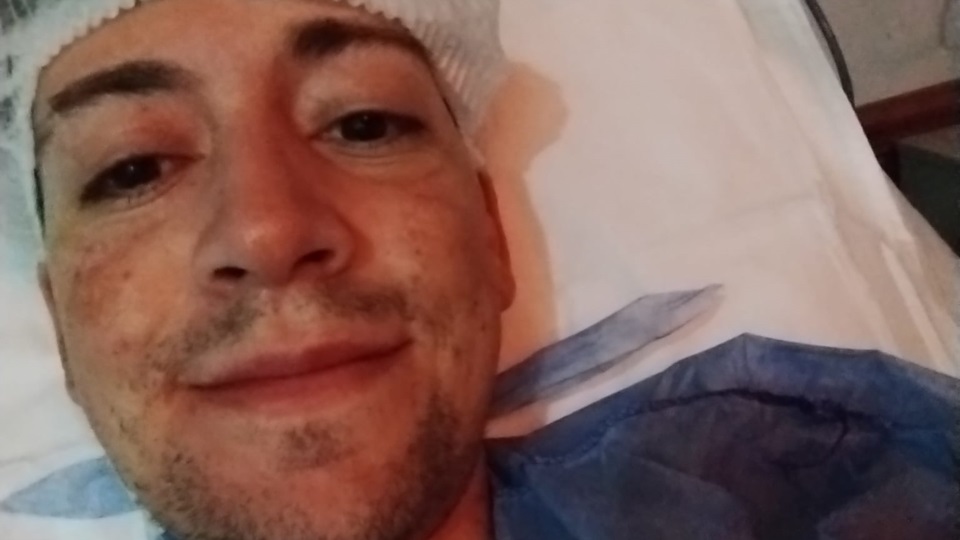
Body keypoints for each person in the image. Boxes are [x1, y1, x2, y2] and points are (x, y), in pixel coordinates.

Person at [2, 0, 958, 539]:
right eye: (134, 169)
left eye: (362, 122)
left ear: (493, 240)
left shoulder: (804, 497)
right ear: (61, 327)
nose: (266, 229)